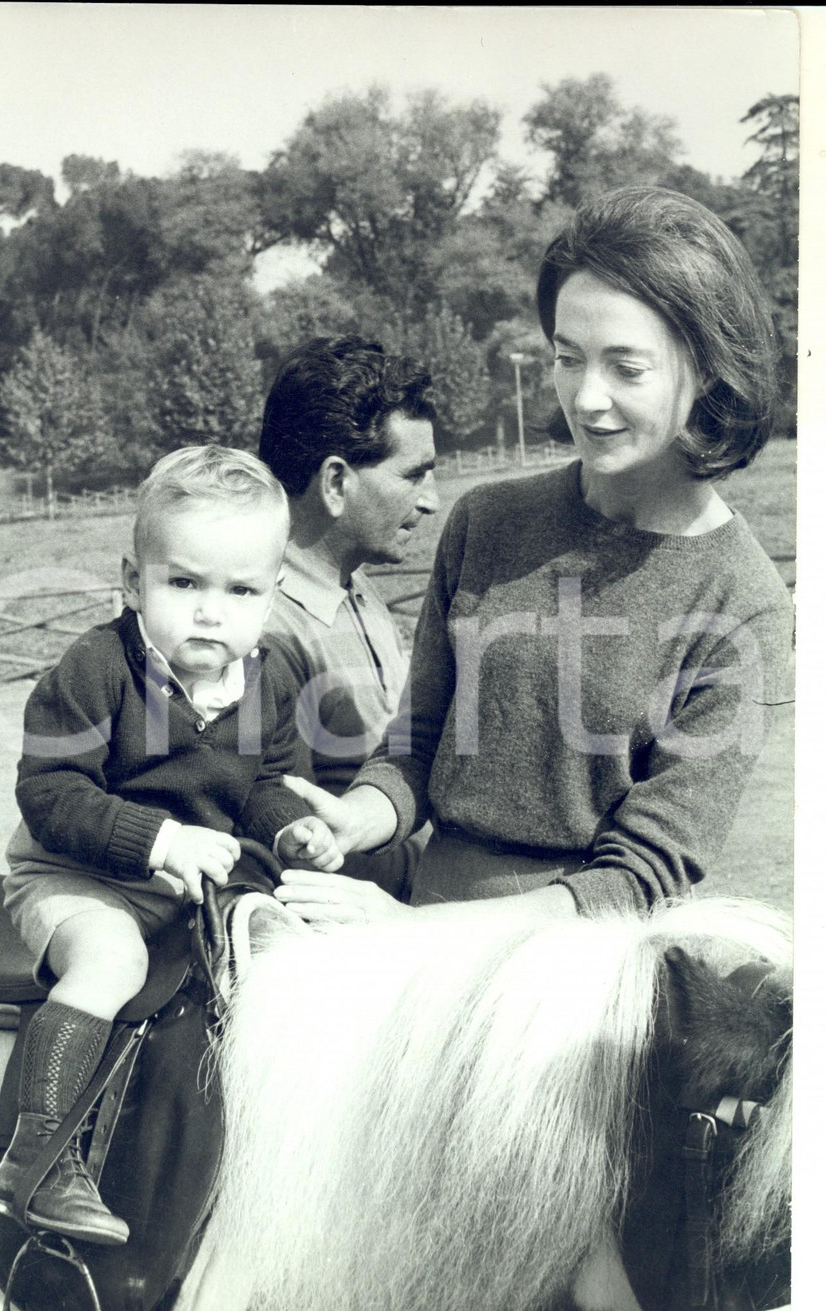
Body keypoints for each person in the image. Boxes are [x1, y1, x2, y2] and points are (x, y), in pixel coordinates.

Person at [277, 186, 794, 929]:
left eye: (626, 367)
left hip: (580, 985)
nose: (586, 398)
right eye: (567, 358)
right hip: (423, 933)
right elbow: (418, 744)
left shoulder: (741, 601)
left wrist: (420, 937)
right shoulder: (486, 522)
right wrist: (357, 817)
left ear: (707, 370)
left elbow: (641, 873)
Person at [0, 445, 341, 1244]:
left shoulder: (269, 676)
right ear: (132, 580)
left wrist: (291, 825)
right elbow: (50, 795)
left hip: (186, 874)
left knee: (286, 954)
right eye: (184, 583)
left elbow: (260, 783)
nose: (211, 612)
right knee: (112, 961)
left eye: (240, 589)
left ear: (272, 593)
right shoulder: (96, 667)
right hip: (75, 869)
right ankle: (36, 1156)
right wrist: (160, 839)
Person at [258, 335, 439, 900]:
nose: (433, 500)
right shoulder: (262, 632)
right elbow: (291, 847)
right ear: (335, 482)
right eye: (414, 475)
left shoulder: (354, 585)